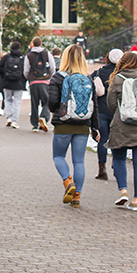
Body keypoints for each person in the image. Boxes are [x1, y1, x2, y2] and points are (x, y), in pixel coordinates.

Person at [46, 44, 99, 208]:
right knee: (79, 162)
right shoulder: (88, 79)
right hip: (83, 125)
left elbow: (52, 103)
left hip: (63, 124)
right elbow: (94, 105)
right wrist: (95, 128)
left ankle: (68, 182)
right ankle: (77, 197)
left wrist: (56, 110)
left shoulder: (58, 78)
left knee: (58, 156)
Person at [106, 51, 137, 211]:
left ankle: (123, 191)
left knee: (119, 159)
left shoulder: (119, 78)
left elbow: (111, 104)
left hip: (122, 125)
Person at [92, 48, 124, 180]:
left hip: (102, 111)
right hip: (118, 112)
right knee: (117, 141)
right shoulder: (123, 74)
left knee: (103, 140)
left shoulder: (99, 73)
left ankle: (102, 169)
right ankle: (117, 167)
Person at [24, 36, 56, 132]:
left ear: (32, 44)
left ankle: (34, 124)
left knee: (34, 103)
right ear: (41, 44)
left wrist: (29, 78)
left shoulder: (29, 55)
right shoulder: (47, 54)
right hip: (45, 82)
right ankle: (44, 117)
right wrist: (49, 77)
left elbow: (26, 70)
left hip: (33, 82)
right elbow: (52, 67)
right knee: (46, 102)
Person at [0, 41, 26, 128]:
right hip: (18, 83)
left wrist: (1, 80)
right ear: (19, 48)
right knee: (17, 102)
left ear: (11, 48)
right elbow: (25, 71)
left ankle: (9, 118)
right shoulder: (22, 58)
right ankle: (15, 121)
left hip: (7, 82)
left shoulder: (6, 57)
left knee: (7, 100)